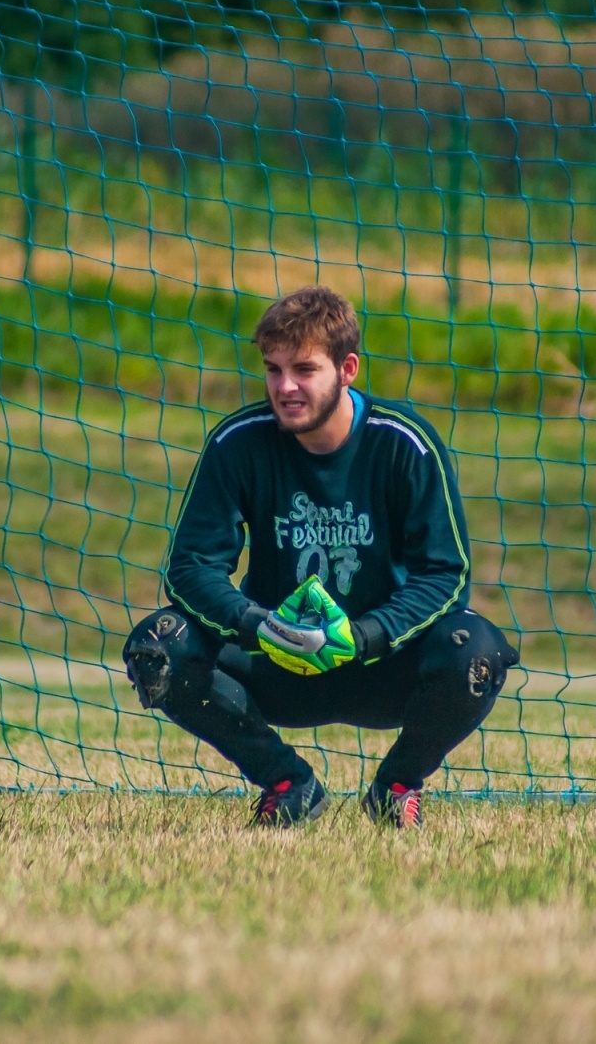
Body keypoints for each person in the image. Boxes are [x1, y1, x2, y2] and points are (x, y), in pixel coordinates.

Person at [122, 286, 519, 828]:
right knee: (158, 647)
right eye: (273, 369)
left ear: (347, 368)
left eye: (304, 370)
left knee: (477, 650)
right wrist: (256, 624)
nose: (285, 387)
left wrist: (365, 635)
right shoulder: (237, 443)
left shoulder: (405, 443)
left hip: (380, 663)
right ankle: (288, 783)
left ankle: (396, 787)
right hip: (274, 662)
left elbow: (445, 576)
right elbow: (190, 567)